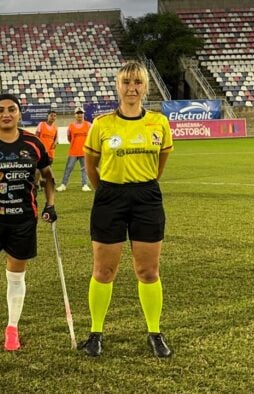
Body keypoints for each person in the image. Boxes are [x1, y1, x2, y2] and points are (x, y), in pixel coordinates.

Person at [81, 61, 174, 358]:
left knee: (148, 271)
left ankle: (154, 332)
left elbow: (160, 162)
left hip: (147, 197)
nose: (131, 88)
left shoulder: (159, 122)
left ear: (145, 87)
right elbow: (91, 166)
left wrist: (141, 185)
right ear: (117, 86)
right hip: (110, 196)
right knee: (104, 270)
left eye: (137, 82)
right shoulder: (102, 124)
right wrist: (108, 191)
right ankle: (95, 332)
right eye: (126, 82)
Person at [0, 94, 58, 351]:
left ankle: (12, 329)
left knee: (16, 276)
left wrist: (50, 204)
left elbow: (48, 177)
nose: (6, 114)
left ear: (19, 113)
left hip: (24, 220)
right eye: (0, 110)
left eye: (11, 109)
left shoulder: (34, 143)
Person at [56, 107, 92, 192]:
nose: (79, 115)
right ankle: (63, 185)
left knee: (84, 169)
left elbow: (92, 137)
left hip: (84, 151)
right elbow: (69, 138)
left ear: (83, 114)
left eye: (81, 113)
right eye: (78, 113)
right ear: (75, 115)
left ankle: (85, 185)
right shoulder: (71, 126)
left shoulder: (89, 125)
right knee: (68, 168)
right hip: (73, 151)